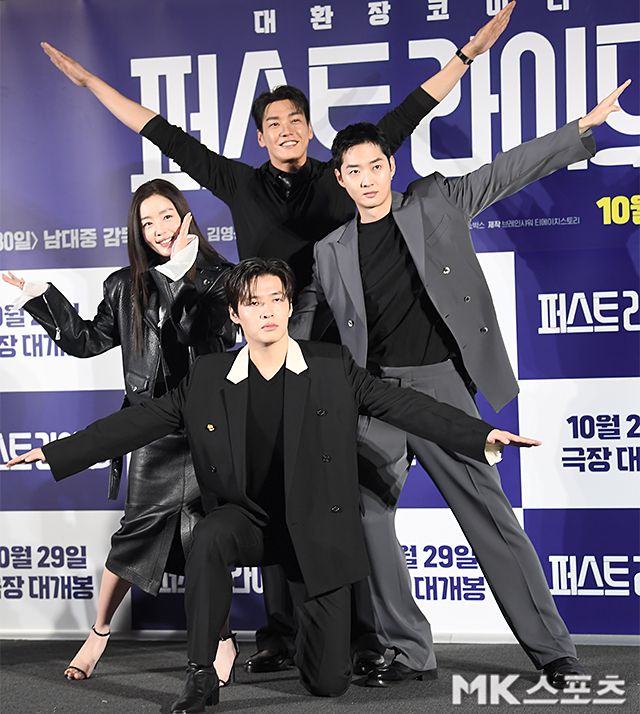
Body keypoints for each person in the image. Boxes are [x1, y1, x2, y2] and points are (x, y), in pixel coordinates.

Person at [40, 2, 517, 673]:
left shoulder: (341, 174)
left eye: (295, 121)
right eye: (273, 123)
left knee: (338, 495)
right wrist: (91, 83)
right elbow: (161, 131)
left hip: (339, 357)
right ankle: (281, 633)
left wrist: (466, 56)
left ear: (310, 129)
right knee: (265, 485)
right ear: (261, 136)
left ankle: (360, 636)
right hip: (266, 353)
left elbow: (412, 109)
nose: (286, 130)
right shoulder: (238, 183)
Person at [6, 257, 541, 713]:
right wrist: (58, 451)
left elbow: (403, 404)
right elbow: (139, 423)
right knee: (209, 535)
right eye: (253, 302)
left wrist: (479, 433)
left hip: (316, 527)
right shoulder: (209, 376)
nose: (266, 310)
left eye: (276, 299)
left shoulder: (330, 367)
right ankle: (200, 674)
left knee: (327, 683)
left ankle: (313, 642)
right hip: (248, 520)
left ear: (288, 307)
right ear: (235, 314)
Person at [290, 80, 632, 689]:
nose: (367, 179)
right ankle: (409, 650)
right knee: (366, 514)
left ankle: (553, 652)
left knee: (487, 515)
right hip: (373, 396)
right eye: (354, 171)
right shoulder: (329, 250)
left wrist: (580, 130)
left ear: (390, 167)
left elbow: (505, 172)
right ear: (339, 179)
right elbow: (304, 325)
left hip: (440, 385)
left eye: (375, 166)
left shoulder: (435, 202)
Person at [2, 179, 238, 685]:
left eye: (166, 216)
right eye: (147, 223)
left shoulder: (220, 278)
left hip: (207, 427)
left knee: (206, 540)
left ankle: (221, 638)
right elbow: (86, 341)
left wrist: (181, 275)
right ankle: (99, 632)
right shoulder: (123, 285)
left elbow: (196, 332)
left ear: (186, 216)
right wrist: (40, 298)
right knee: (132, 537)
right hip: (151, 429)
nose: (159, 230)